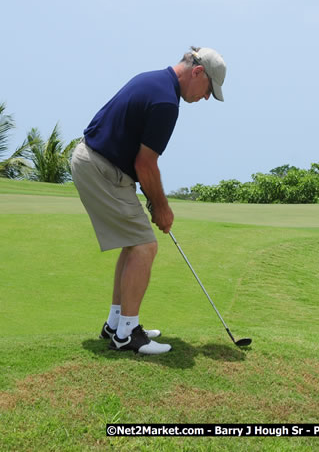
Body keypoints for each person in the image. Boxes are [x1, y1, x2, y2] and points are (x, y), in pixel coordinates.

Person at [70, 47, 227, 355]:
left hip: (95, 161)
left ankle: (116, 323)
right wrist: (162, 207)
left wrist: (156, 202)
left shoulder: (154, 81)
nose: (206, 97)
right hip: (102, 167)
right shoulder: (167, 102)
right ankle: (127, 333)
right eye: (209, 89)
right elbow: (146, 164)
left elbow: (142, 164)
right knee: (145, 245)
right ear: (198, 73)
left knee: (134, 242)